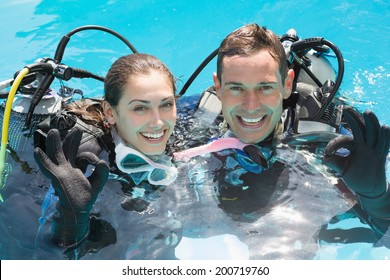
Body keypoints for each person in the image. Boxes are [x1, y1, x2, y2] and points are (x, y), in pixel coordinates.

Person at [201, 23, 390, 238]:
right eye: (236, 88)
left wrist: (377, 198)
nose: (251, 105)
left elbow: (384, 237)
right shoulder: (190, 120)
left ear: (287, 84)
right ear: (218, 87)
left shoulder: (336, 145)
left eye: (265, 87)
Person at [33, 53, 179, 248]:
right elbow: (39, 255)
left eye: (166, 104)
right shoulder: (84, 162)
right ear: (110, 113)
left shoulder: (179, 136)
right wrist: (72, 217)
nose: (158, 122)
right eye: (140, 108)